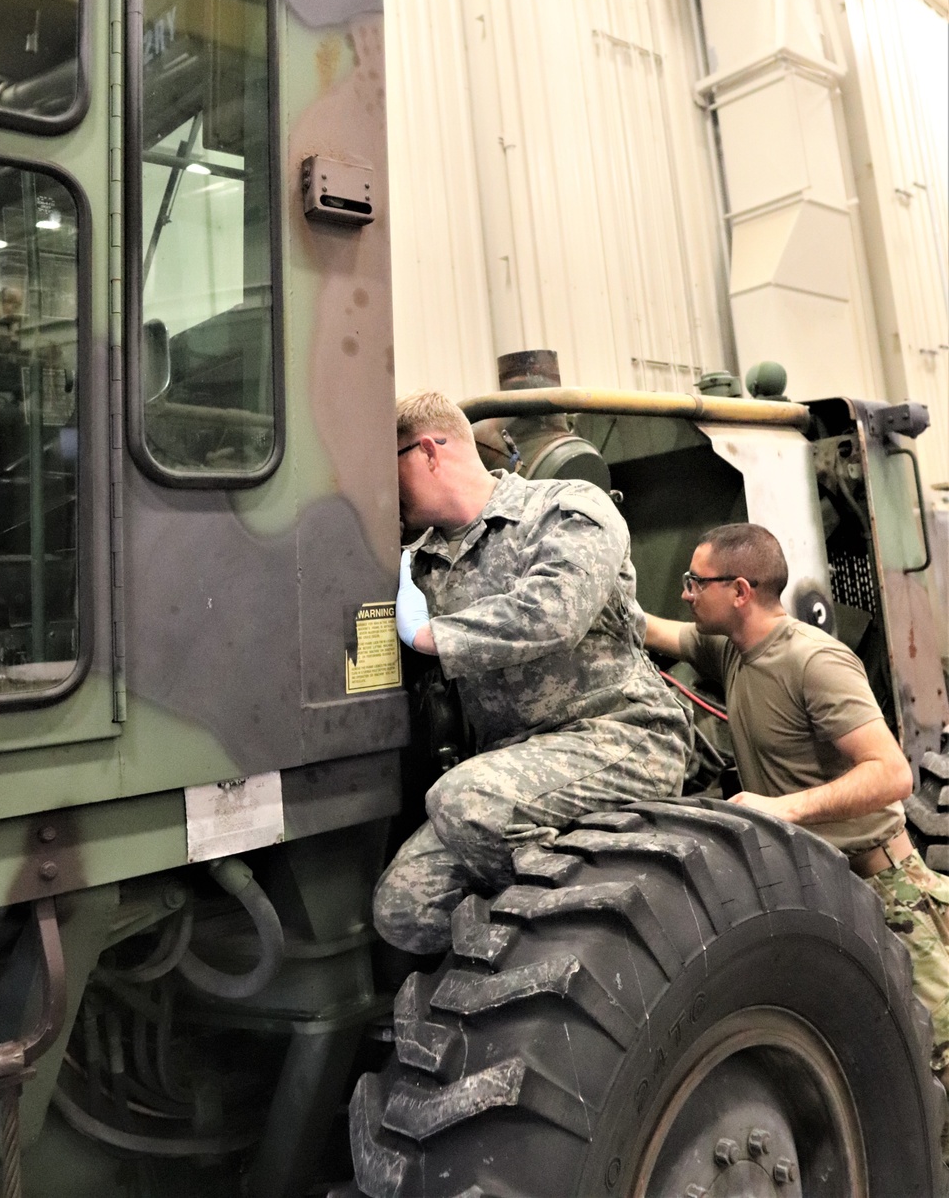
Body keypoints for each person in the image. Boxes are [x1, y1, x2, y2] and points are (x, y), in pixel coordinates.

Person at [373, 390, 691, 956]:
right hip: (513, 762)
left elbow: (556, 612)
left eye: (386, 466)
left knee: (463, 801)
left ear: (426, 451)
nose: (384, 491)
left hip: (620, 737)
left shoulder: (565, 507)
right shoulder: (417, 558)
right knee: (405, 907)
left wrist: (432, 636)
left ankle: (611, 949)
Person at [644, 521, 949, 1107]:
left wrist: (781, 809)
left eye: (694, 581)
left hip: (887, 893)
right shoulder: (730, 650)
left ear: (739, 590)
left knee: (938, 1067)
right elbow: (659, 631)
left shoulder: (814, 662)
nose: (685, 592)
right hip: (821, 894)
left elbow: (891, 774)